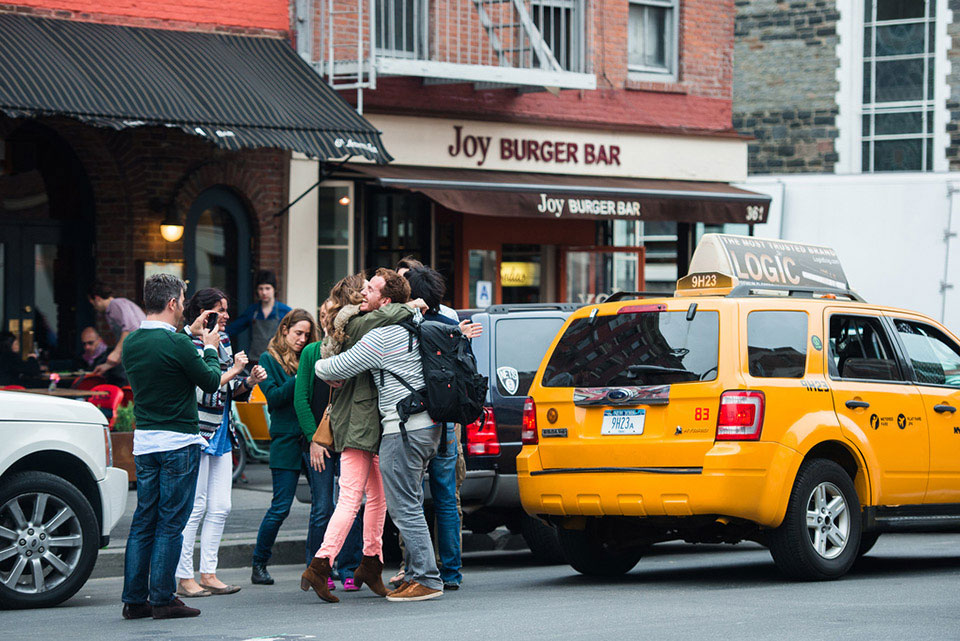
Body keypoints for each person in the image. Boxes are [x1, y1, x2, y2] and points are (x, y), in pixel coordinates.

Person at [303, 268, 479, 603]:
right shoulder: (421, 326)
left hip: (403, 430)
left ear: (386, 302)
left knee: (405, 508)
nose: (363, 293)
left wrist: (318, 367)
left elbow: (333, 368)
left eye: (370, 289)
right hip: (430, 426)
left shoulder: (383, 337)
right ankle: (414, 575)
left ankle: (426, 579)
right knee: (408, 502)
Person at [294, 274, 414, 602]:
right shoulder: (362, 323)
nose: (366, 292)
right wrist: (411, 305)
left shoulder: (359, 321)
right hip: (359, 422)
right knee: (351, 498)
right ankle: (320, 566)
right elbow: (394, 312)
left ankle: (371, 564)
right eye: (364, 289)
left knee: (378, 498)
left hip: (368, 422)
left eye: (370, 288)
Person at [120, 274, 223, 620]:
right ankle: (163, 598)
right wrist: (208, 346)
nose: (183, 306)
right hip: (178, 439)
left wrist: (187, 334)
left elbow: (163, 349)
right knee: (170, 522)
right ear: (173, 303)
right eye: (181, 299)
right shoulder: (178, 344)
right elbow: (210, 381)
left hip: (145, 441)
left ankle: (134, 600)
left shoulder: (133, 342)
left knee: (143, 520)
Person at [251, 307, 360, 589]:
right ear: (284, 330)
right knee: (281, 506)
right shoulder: (269, 359)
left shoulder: (311, 354)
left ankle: (324, 562)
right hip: (287, 439)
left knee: (326, 504)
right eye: (297, 333)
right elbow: (274, 398)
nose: (302, 339)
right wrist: (301, 377)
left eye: (306, 334)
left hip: (315, 439)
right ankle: (259, 562)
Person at [175, 288, 267, 598]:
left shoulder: (224, 342)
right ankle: (184, 576)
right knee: (196, 505)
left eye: (226, 309)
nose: (226, 315)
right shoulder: (188, 343)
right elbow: (205, 389)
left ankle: (209, 573)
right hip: (198, 430)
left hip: (221, 430)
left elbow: (230, 389)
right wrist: (234, 371)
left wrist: (249, 381)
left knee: (221, 506)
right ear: (202, 313)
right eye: (219, 309)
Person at [404, 266, 463, 591]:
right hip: (447, 421)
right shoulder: (451, 326)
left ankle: (417, 570)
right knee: (445, 499)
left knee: (411, 499)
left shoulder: (411, 329)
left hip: (416, 422)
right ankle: (451, 571)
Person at [227, 270, 292, 364]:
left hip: (277, 361)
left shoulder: (285, 311)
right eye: (260, 289)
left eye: (267, 288)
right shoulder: (253, 310)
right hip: (255, 360)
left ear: (274, 289)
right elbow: (233, 329)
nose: (264, 292)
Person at [88, 280, 146, 381]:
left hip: (141, 356)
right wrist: (106, 365)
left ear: (97, 298)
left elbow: (130, 328)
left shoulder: (115, 304)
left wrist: (116, 352)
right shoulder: (119, 305)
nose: (94, 307)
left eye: (92, 303)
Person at [396, 256, 459, 322]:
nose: (403, 285)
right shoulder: (392, 312)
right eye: (399, 280)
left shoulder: (447, 314)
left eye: (407, 279)